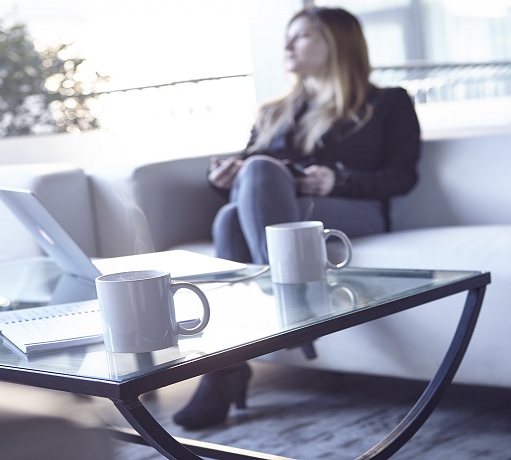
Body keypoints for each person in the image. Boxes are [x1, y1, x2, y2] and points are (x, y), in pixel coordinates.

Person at [172, 6, 421, 429]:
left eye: (302, 35)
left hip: (349, 211)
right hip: (280, 214)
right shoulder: (274, 111)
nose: (288, 45)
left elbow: (403, 175)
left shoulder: (386, 102)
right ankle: (280, 328)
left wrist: (337, 181)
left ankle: (233, 364)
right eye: (288, 36)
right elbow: (250, 179)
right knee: (234, 210)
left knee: (249, 189)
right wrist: (221, 178)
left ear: (338, 44)